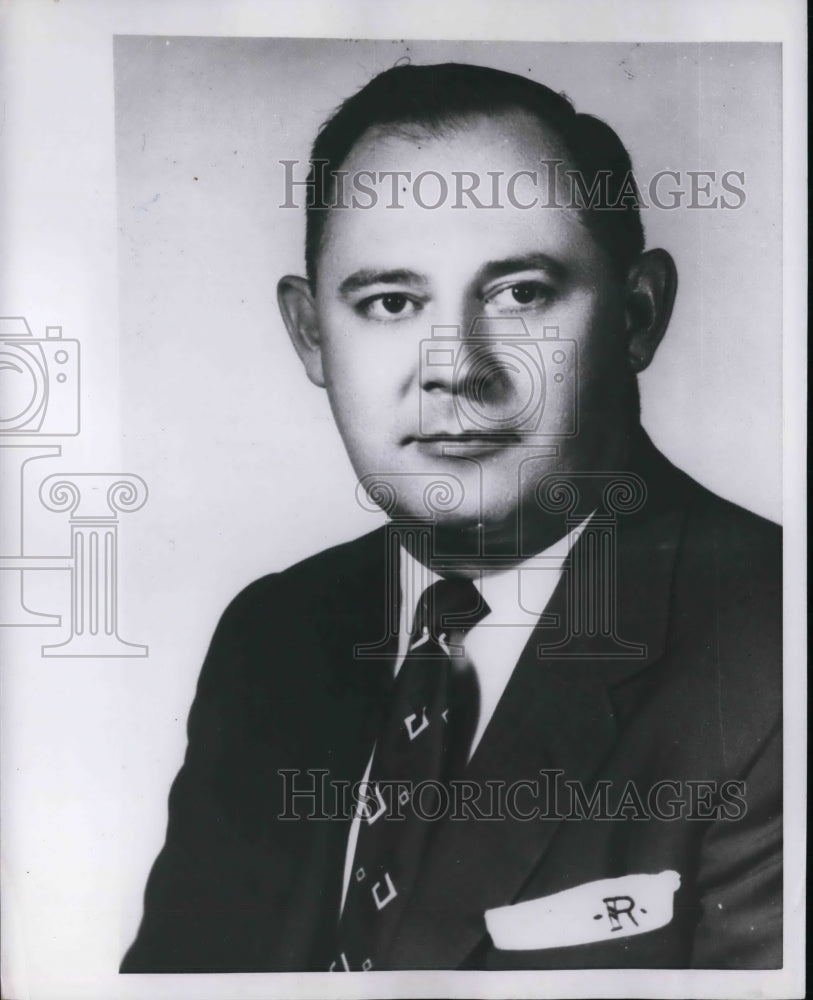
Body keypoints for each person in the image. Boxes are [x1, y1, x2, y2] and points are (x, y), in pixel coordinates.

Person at [120, 62, 781, 973]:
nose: (455, 366)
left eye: (520, 294)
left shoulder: (775, 653)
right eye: (391, 303)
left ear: (637, 315)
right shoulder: (272, 636)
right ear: (311, 335)